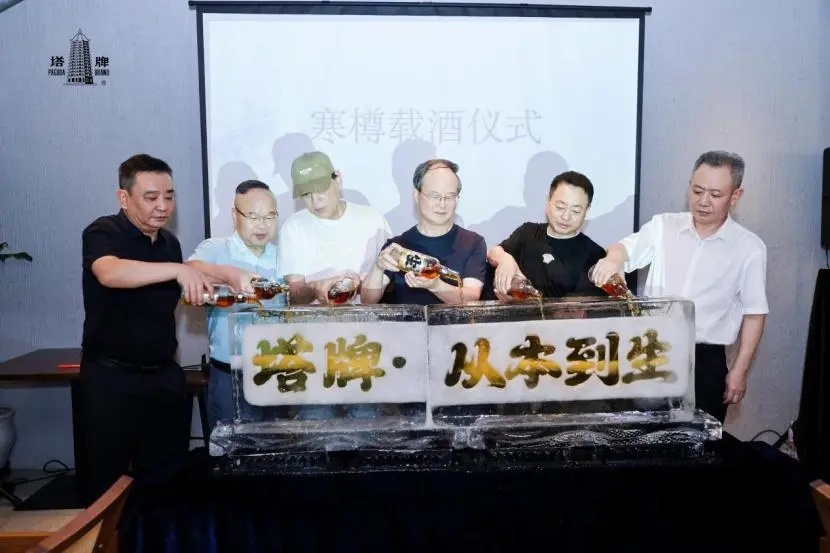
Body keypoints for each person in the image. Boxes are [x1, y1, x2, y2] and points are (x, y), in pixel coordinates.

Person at [589, 150, 768, 423]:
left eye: (715, 194)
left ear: (735, 196)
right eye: (697, 191)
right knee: (644, 434)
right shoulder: (664, 226)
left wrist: (739, 370)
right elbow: (624, 248)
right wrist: (614, 259)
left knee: (701, 440)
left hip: (705, 360)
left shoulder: (749, 247)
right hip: (651, 350)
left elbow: (754, 313)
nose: (703, 201)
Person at [79, 153, 212, 504]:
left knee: (165, 484)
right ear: (124, 198)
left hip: (163, 377)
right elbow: (110, 273)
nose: (163, 206)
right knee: (105, 487)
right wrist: (177, 270)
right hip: (111, 379)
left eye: (169, 196)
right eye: (151, 197)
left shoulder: (169, 244)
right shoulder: (104, 232)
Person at [185, 180, 285, 429]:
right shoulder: (216, 249)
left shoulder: (285, 255)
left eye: (269, 216)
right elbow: (189, 269)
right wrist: (230, 274)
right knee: (231, 446)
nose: (262, 225)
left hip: (278, 372)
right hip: (230, 374)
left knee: (277, 444)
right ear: (234, 215)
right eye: (253, 217)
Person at [361, 159, 486, 305]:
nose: (442, 204)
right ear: (416, 194)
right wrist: (378, 267)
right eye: (435, 196)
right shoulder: (398, 247)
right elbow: (368, 301)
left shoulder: (472, 243)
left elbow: (471, 298)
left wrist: (436, 286)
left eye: (450, 197)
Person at [278, 151, 391, 303]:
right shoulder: (293, 227)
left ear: (337, 179)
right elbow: (294, 295)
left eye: (320, 189)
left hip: (367, 317)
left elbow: (393, 282)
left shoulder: (373, 219)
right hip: (314, 317)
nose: (315, 200)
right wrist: (317, 287)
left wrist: (361, 284)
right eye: (306, 194)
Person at [487, 170, 606, 299]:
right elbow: (493, 253)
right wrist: (505, 259)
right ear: (548, 201)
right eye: (560, 207)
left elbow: (578, 308)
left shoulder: (594, 255)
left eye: (576, 211)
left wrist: (526, 303)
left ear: (587, 211)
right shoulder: (527, 233)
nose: (566, 217)